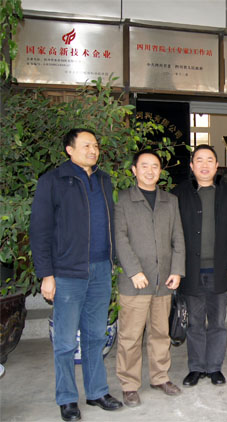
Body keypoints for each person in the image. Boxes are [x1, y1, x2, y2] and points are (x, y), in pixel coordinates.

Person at [30, 128, 123, 422]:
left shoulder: (104, 180)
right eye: (86, 145)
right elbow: (40, 231)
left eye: (95, 145)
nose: (93, 150)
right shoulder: (53, 181)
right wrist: (46, 274)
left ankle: (97, 392)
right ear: (69, 150)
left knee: (96, 336)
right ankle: (67, 398)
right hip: (68, 272)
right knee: (66, 341)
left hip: (100, 269)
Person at [114, 150, 186, 407]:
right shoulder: (122, 199)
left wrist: (176, 270)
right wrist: (134, 271)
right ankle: (129, 385)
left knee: (160, 333)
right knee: (130, 336)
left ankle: (160, 377)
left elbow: (178, 238)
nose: (150, 170)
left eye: (155, 166)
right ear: (134, 170)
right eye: (144, 166)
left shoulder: (170, 200)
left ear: (160, 171)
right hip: (134, 282)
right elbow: (119, 238)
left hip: (163, 280)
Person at [173, 145, 227, 387]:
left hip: (220, 269)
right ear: (192, 166)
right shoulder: (179, 193)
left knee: (217, 323)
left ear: (216, 166)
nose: (204, 165)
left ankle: (214, 367)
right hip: (190, 270)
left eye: (209, 160)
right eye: (199, 160)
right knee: (195, 323)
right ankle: (196, 368)